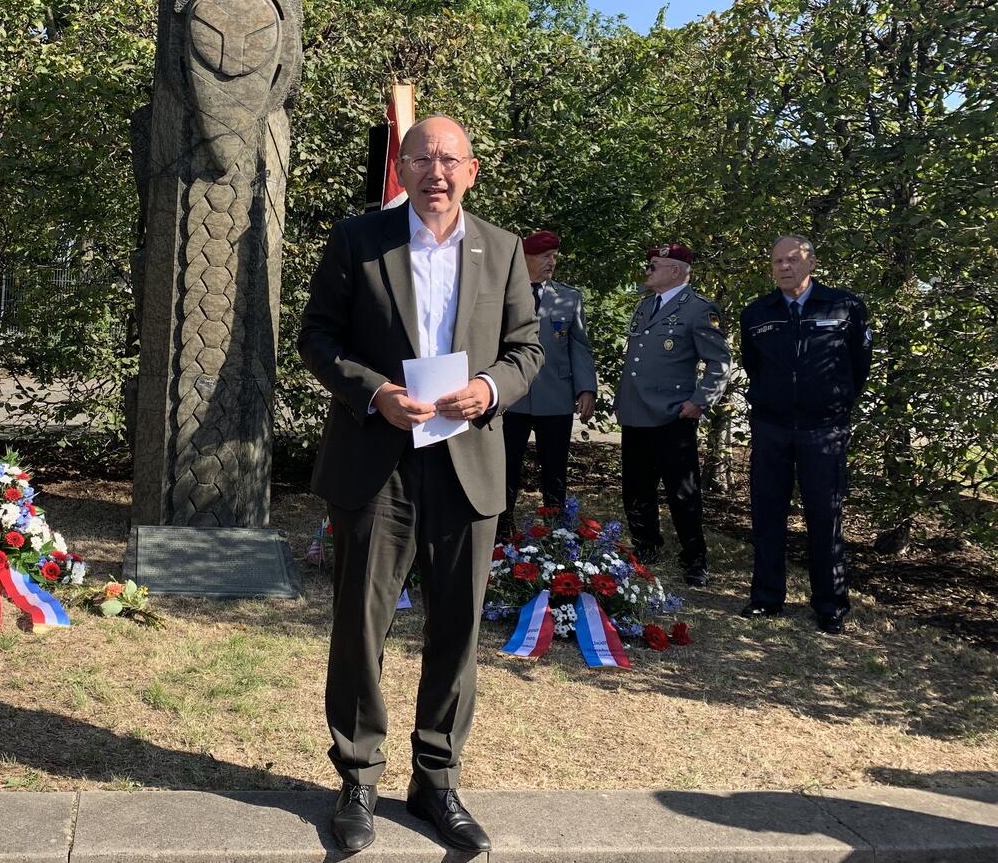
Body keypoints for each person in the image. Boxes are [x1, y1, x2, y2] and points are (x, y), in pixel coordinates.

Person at [299, 115, 543, 854]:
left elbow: (526, 349)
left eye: (449, 159)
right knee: (360, 626)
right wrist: (374, 392)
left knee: (457, 628)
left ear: (472, 170)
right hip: (377, 461)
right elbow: (317, 337)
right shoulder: (358, 240)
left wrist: (489, 388)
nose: (436, 172)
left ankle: (437, 781)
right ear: (401, 170)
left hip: (466, 463)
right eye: (422, 159)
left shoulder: (502, 248)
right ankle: (358, 778)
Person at [738, 236, 872, 635]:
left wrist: (834, 401)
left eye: (792, 260)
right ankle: (766, 597)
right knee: (767, 512)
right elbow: (753, 364)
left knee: (825, 515)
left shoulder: (844, 306)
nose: (784, 267)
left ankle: (830, 604)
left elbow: (858, 365)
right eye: (777, 261)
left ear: (811, 262)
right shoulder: (756, 313)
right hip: (772, 427)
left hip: (824, 429)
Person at [614, 243, 731, 588]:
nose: (647, 271)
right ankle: (646, 548)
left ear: (676, 271)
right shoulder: (645, 305)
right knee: (636, 487)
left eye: (654, 266)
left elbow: (719, 362)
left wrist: (700, 401)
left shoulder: (698, 309)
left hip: (672, 416)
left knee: (683, 493)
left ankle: (694, 559)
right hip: (636, 412)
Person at [502, 229, 597, 526]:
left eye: (554, 257)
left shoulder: (568, 297)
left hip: (555, 395)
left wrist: (586, 389)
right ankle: (501, 529)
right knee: (506, 466)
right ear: (525, 258)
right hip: (512, 396)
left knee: (554, 468)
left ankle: (556, 532)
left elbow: (579, 346)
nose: (552, 262)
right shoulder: (504, 292)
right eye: (545, 256)